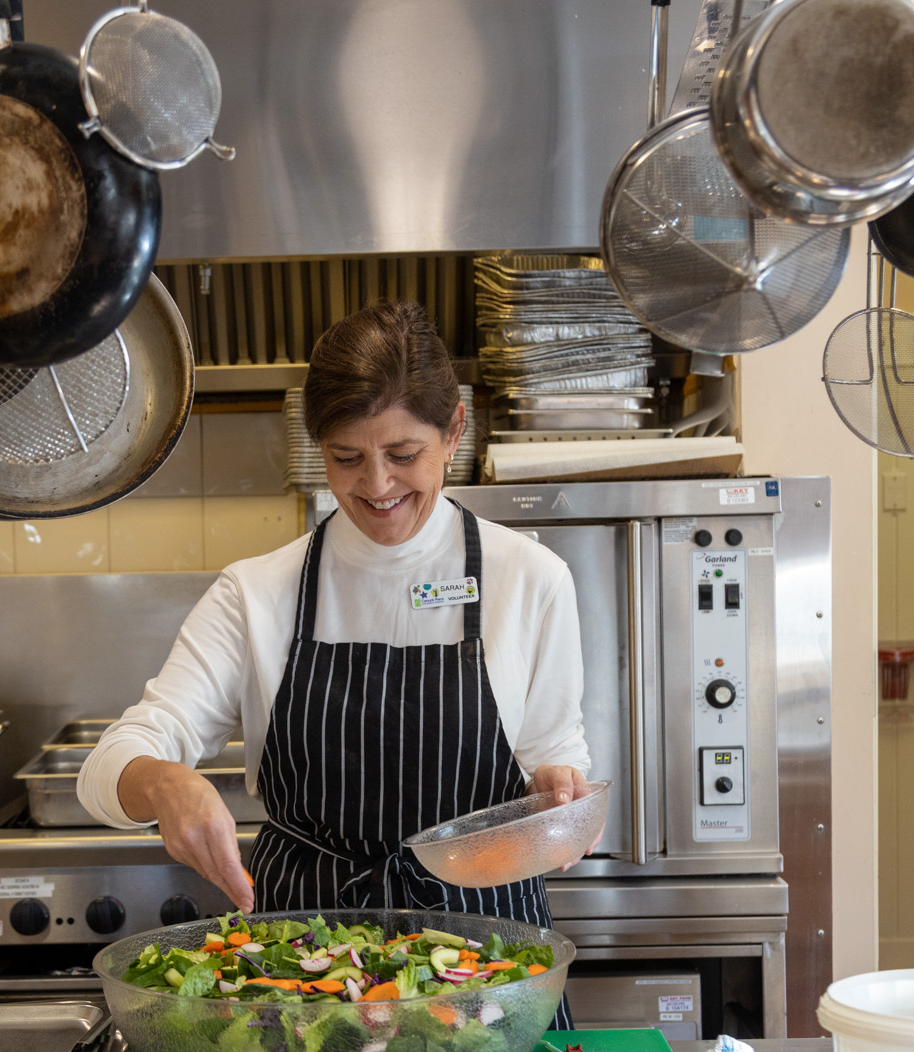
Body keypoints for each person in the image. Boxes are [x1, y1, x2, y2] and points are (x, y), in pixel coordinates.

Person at [77, 301, 591, 946]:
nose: (377, 485)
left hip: (488, 949)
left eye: (404, 453)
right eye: (347, 458)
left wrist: (558, 789)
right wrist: (161, 781)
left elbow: (555, 756)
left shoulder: (532, 579)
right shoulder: (257, 592)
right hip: (304, 949)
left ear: (456, 430)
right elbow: (108, 767)